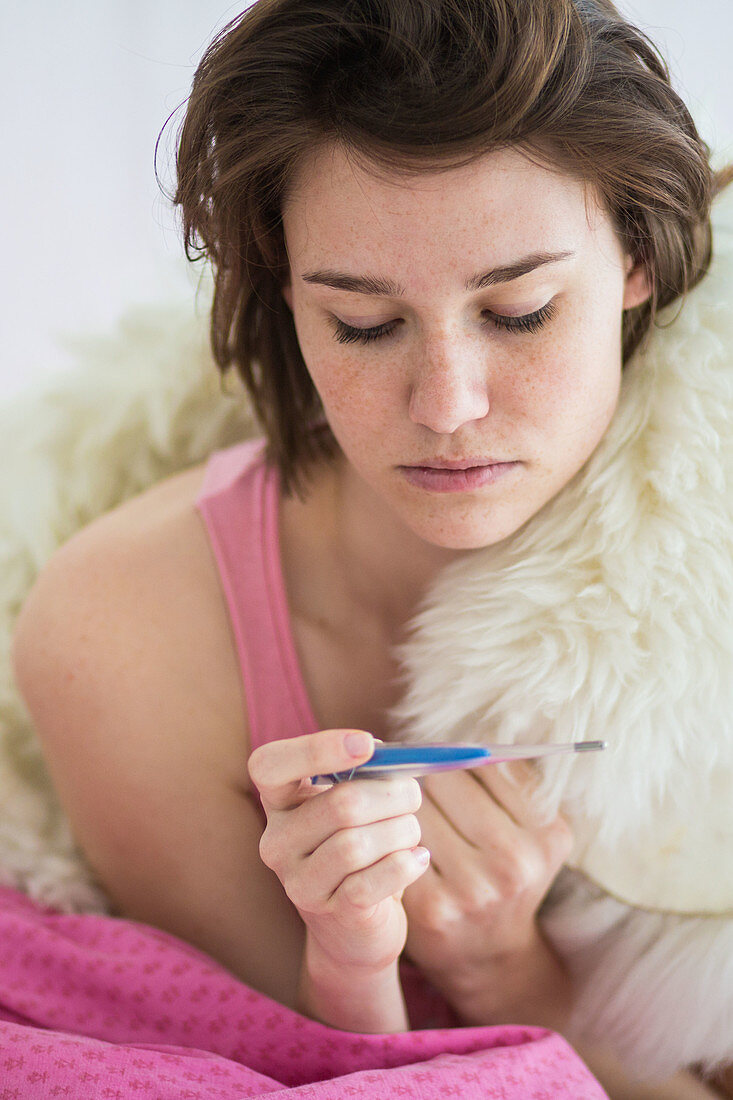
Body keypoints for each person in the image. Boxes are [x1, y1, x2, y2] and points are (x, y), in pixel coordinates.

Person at [11, 0, 733, 1096]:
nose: (445, 404)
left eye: (521, 310)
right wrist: (350, 961)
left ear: (637, 258)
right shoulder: (122, 632)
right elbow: (286, 1060)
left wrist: (503, 967)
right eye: (362, 323)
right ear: (279, 281)